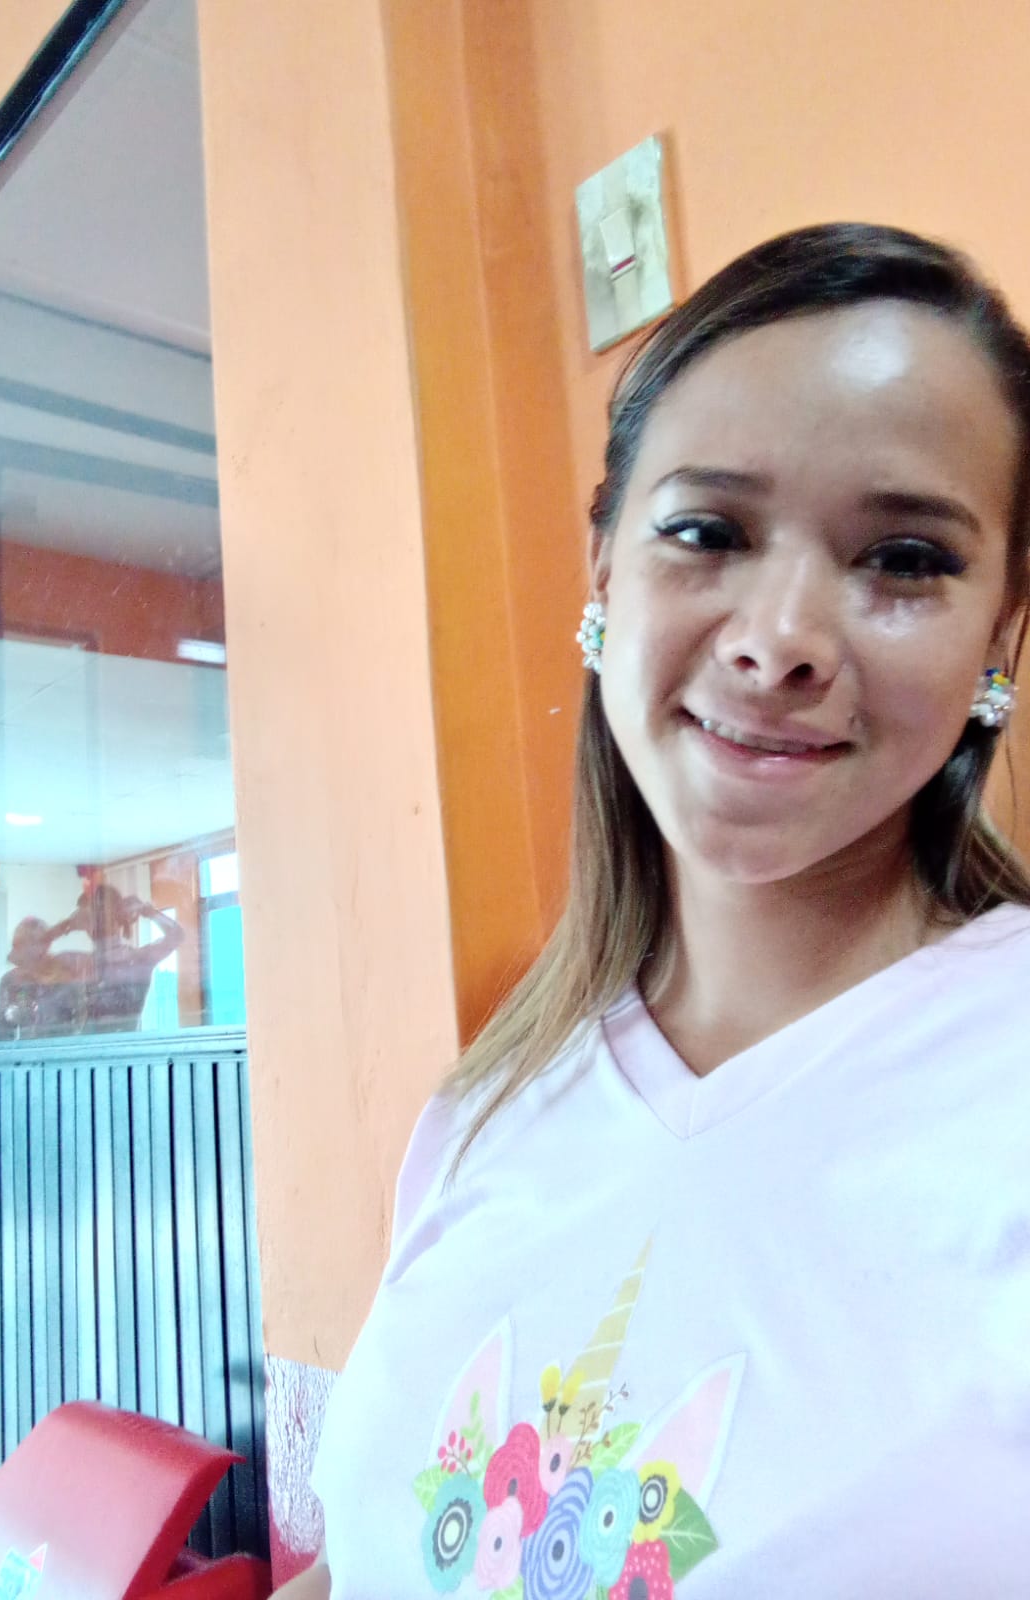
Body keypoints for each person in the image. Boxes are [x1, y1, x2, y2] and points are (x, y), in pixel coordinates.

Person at [287, 224, 1030, 1597]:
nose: (779, 639)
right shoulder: (487, 1109)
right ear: (604, 570)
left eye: (905, 557)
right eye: (706, 532)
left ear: (1001, 627)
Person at [69, 883, 184, 1032]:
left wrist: (147, 911)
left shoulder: (138, 959)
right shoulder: (80, 961)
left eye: (101, 916)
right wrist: (66, 925)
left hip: (122, 1044)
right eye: (90, 918)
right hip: (88, 1045)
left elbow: (177, 936)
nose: (96, 923)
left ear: (118, 916)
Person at [0, 915, 90, 1038]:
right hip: (24, 1048)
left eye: (38, 942)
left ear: (47, 944)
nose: (33, 949)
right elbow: (3, 1032)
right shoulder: (10, 981)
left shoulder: (67, 979)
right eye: (23, 943)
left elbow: (81, 1025)